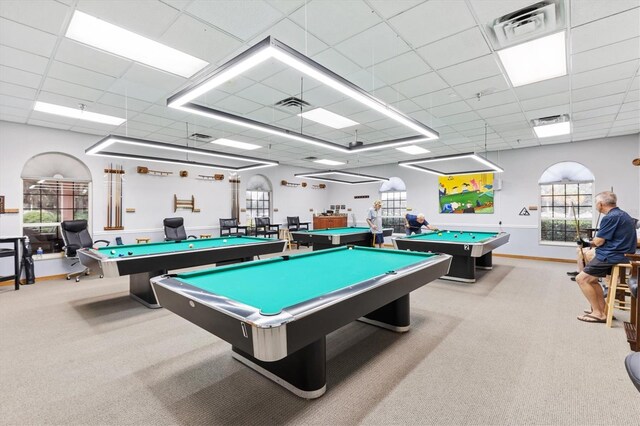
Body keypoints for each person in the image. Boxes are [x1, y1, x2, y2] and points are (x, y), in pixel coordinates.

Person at [575, 191, 637, 323]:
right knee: (591, 280)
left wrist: (586, 243)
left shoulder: (610, 217)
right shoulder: (623, 215)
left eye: (595, 203)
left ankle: (598, 313)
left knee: (581, 279)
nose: (596, 206)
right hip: (620, 254)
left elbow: (598, 242)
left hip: (612, 255)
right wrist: (586, 243)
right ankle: (601, 309)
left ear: (600, 204)